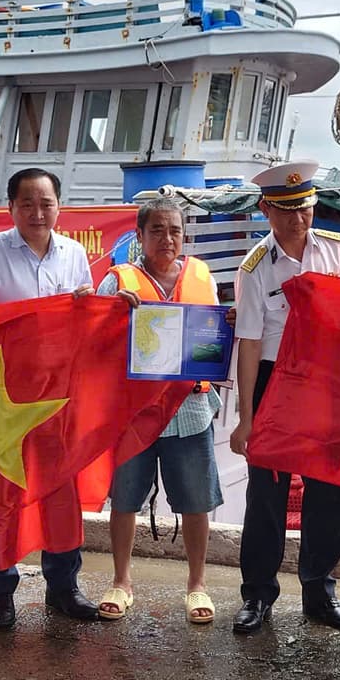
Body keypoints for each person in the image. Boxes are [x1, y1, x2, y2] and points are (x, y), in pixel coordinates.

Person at [0, 167, 122, 628]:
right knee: (1, 493)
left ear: (58, 206)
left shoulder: (73, 253)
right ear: (10, 207)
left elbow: (85, 319)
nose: (37, 212)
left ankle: (63, 587)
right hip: (5, 395)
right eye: (27, 203)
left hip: (58, 397)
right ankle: (0, 591)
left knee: (60, 492)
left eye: (46, 203)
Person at [229, 160, 340, 636]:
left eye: (304, 208)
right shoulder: (255, 267)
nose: (297, 220)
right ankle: (257, 594)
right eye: (285, 211)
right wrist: (246, 417)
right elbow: (247, 342)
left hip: (326, 378)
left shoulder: (337, 252)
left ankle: (320, 591)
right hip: (273, 379)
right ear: (266, 209)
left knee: (329, 490)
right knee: (266, 494)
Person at [95, 195, 224, 626]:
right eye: (157, 230)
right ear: (140, 235)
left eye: (174, 230)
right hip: (134, 412)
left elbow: (215, 335)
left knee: (195, 501)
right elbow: (92, 340)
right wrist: (111, 316)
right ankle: (121, 580)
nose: (166, 238)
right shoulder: (118, 282)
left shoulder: (204, 276)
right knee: (126, 499)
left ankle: (197, 584)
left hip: (190, 407)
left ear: (184, 236)